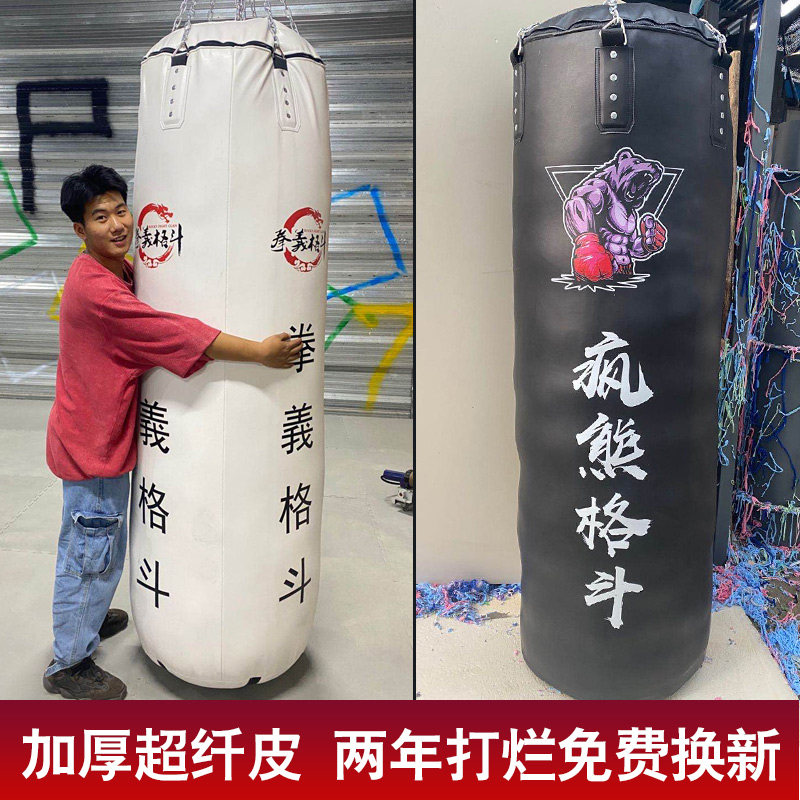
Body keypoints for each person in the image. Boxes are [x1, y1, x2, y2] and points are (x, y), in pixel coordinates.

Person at [43, 164, 302, 700]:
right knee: (89, 552)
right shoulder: (97, 290)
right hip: (91, 445)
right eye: (100, 217)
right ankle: (68, 662)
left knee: (100, 543)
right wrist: (258, 352)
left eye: (121, 210)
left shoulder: (115, 269)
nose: (118, 224)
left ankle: (88, 615)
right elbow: (170, 331)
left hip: (98, 432)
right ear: (79, 230)